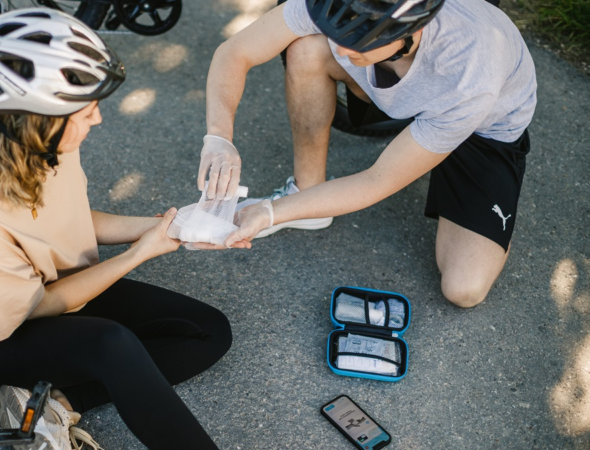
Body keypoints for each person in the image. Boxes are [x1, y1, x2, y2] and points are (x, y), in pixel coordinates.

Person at [0, 9, 230, 450]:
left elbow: (72, 219)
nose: (98, 119)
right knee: (113, 343)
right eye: (87, 110)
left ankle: (53, 402)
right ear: (42, 120)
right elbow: (34, 307)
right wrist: (138, 253)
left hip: (58, 286)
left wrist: (173, 226)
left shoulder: (45, 147)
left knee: (209, 330)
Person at [196, 0, 537, 308]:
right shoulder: (342, 6)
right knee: (307, 50)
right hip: (406, 85)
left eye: (357, 42)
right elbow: (235, 51)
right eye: (338, 32)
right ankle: (307, 194)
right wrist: (219, 137)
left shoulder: (470, 71)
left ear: (409, 29)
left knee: (464, 289)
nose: (342, 51)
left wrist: (267, 213)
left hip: (481, 132)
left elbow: (376, 180)